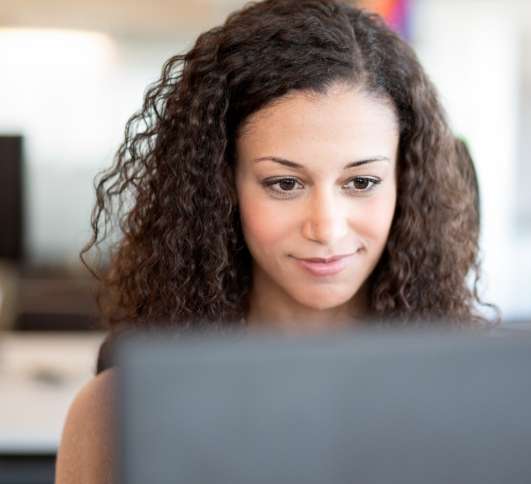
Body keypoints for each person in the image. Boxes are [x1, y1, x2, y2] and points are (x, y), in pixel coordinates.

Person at [55, 1, 492, 482]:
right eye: (285, 184)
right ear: (221, 187)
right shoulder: (115, 411)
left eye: (361, 182)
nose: (326, 228)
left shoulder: (479, 395)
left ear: (405, 183)